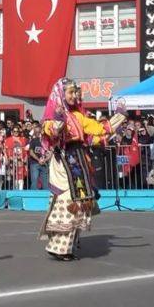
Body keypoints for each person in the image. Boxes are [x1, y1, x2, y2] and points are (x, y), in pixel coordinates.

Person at [39, 78, 126, 261]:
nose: (74, 96)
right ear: (61, 94)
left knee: (81, 202)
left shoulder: (78, 116)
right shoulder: (51, 118)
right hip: (63, 163)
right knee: (67, 201)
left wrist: (119, 117)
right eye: (70, 92)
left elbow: (97, 129)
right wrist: (59, 117)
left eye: (75, 92)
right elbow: (54, 131)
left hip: (78, 159)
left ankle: (69, 245)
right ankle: (59, 247)